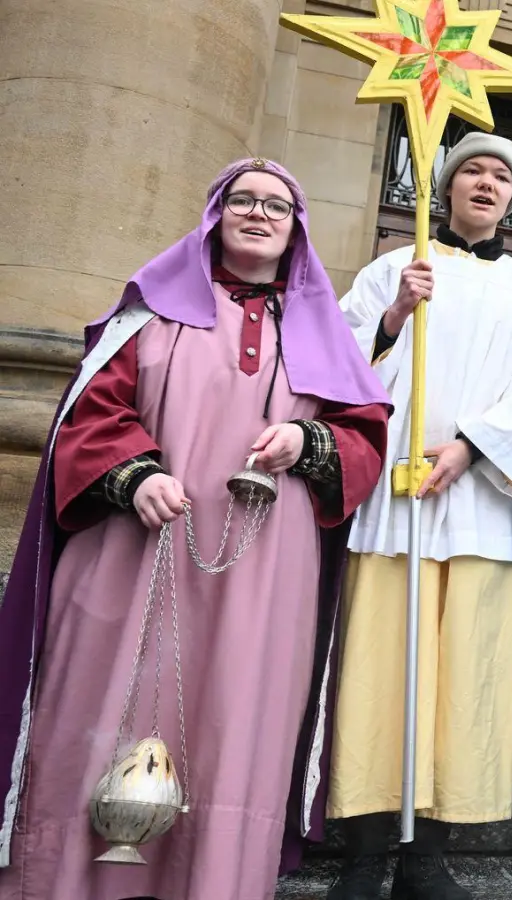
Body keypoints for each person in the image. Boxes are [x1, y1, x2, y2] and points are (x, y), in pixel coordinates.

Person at [0, 158, 391, 900]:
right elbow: (90, 416)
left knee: (236, 724)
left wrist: (306, 444)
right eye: (242, 199)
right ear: (215, 215)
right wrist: (135, 473)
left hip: (264, 569)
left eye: (277, 206)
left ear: (296, 231)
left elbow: (363, 441)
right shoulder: (151, 312)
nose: (259, 212)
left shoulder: (323, 332)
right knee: (98, 702)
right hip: (133, 549)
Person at [326, 132, 512, 900]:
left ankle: (427, 853)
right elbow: (334, 365)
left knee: (464, 679)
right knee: (380, 674)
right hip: (394, 507)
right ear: (446, 184)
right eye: (473, 170)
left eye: (502, 175)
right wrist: (396, 315)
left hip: (478, 505)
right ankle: (367, 852)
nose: (488, 183)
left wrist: (470, 448)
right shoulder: (390, 269)